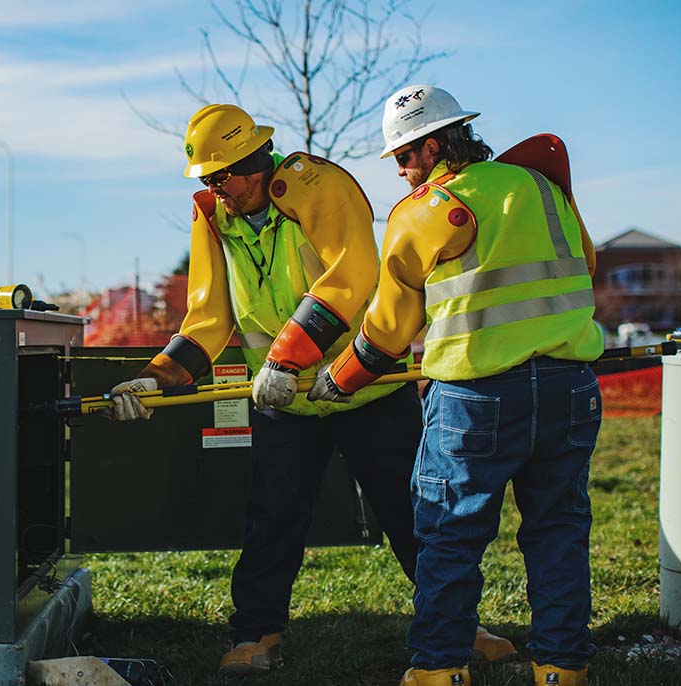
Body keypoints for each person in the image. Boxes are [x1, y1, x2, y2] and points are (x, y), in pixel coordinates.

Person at [106, 103, 512, 677]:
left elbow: (352, 277)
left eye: (224, 176)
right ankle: (257, 636)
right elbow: (206, 320)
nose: (217, 189)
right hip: (286, 404)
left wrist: (286, 355)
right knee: (272, 518)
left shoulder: (317, 188)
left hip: (365, 388)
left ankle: (457, 629)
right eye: (208, 180)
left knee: (412, 515)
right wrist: (156, 378)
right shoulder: (212, 218)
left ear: (254, 163)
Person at [308, 85, 604, 686]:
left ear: (435, 146)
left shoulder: (422, 211)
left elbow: (389, 331)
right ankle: (561, 666)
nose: (398, 171)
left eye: (403, 156)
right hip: (570, 384)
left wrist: (338, 379)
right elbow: (587, 265)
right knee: (559, 529)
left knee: (448, 534)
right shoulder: (543, 189)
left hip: (477, 396)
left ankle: (440, 668)